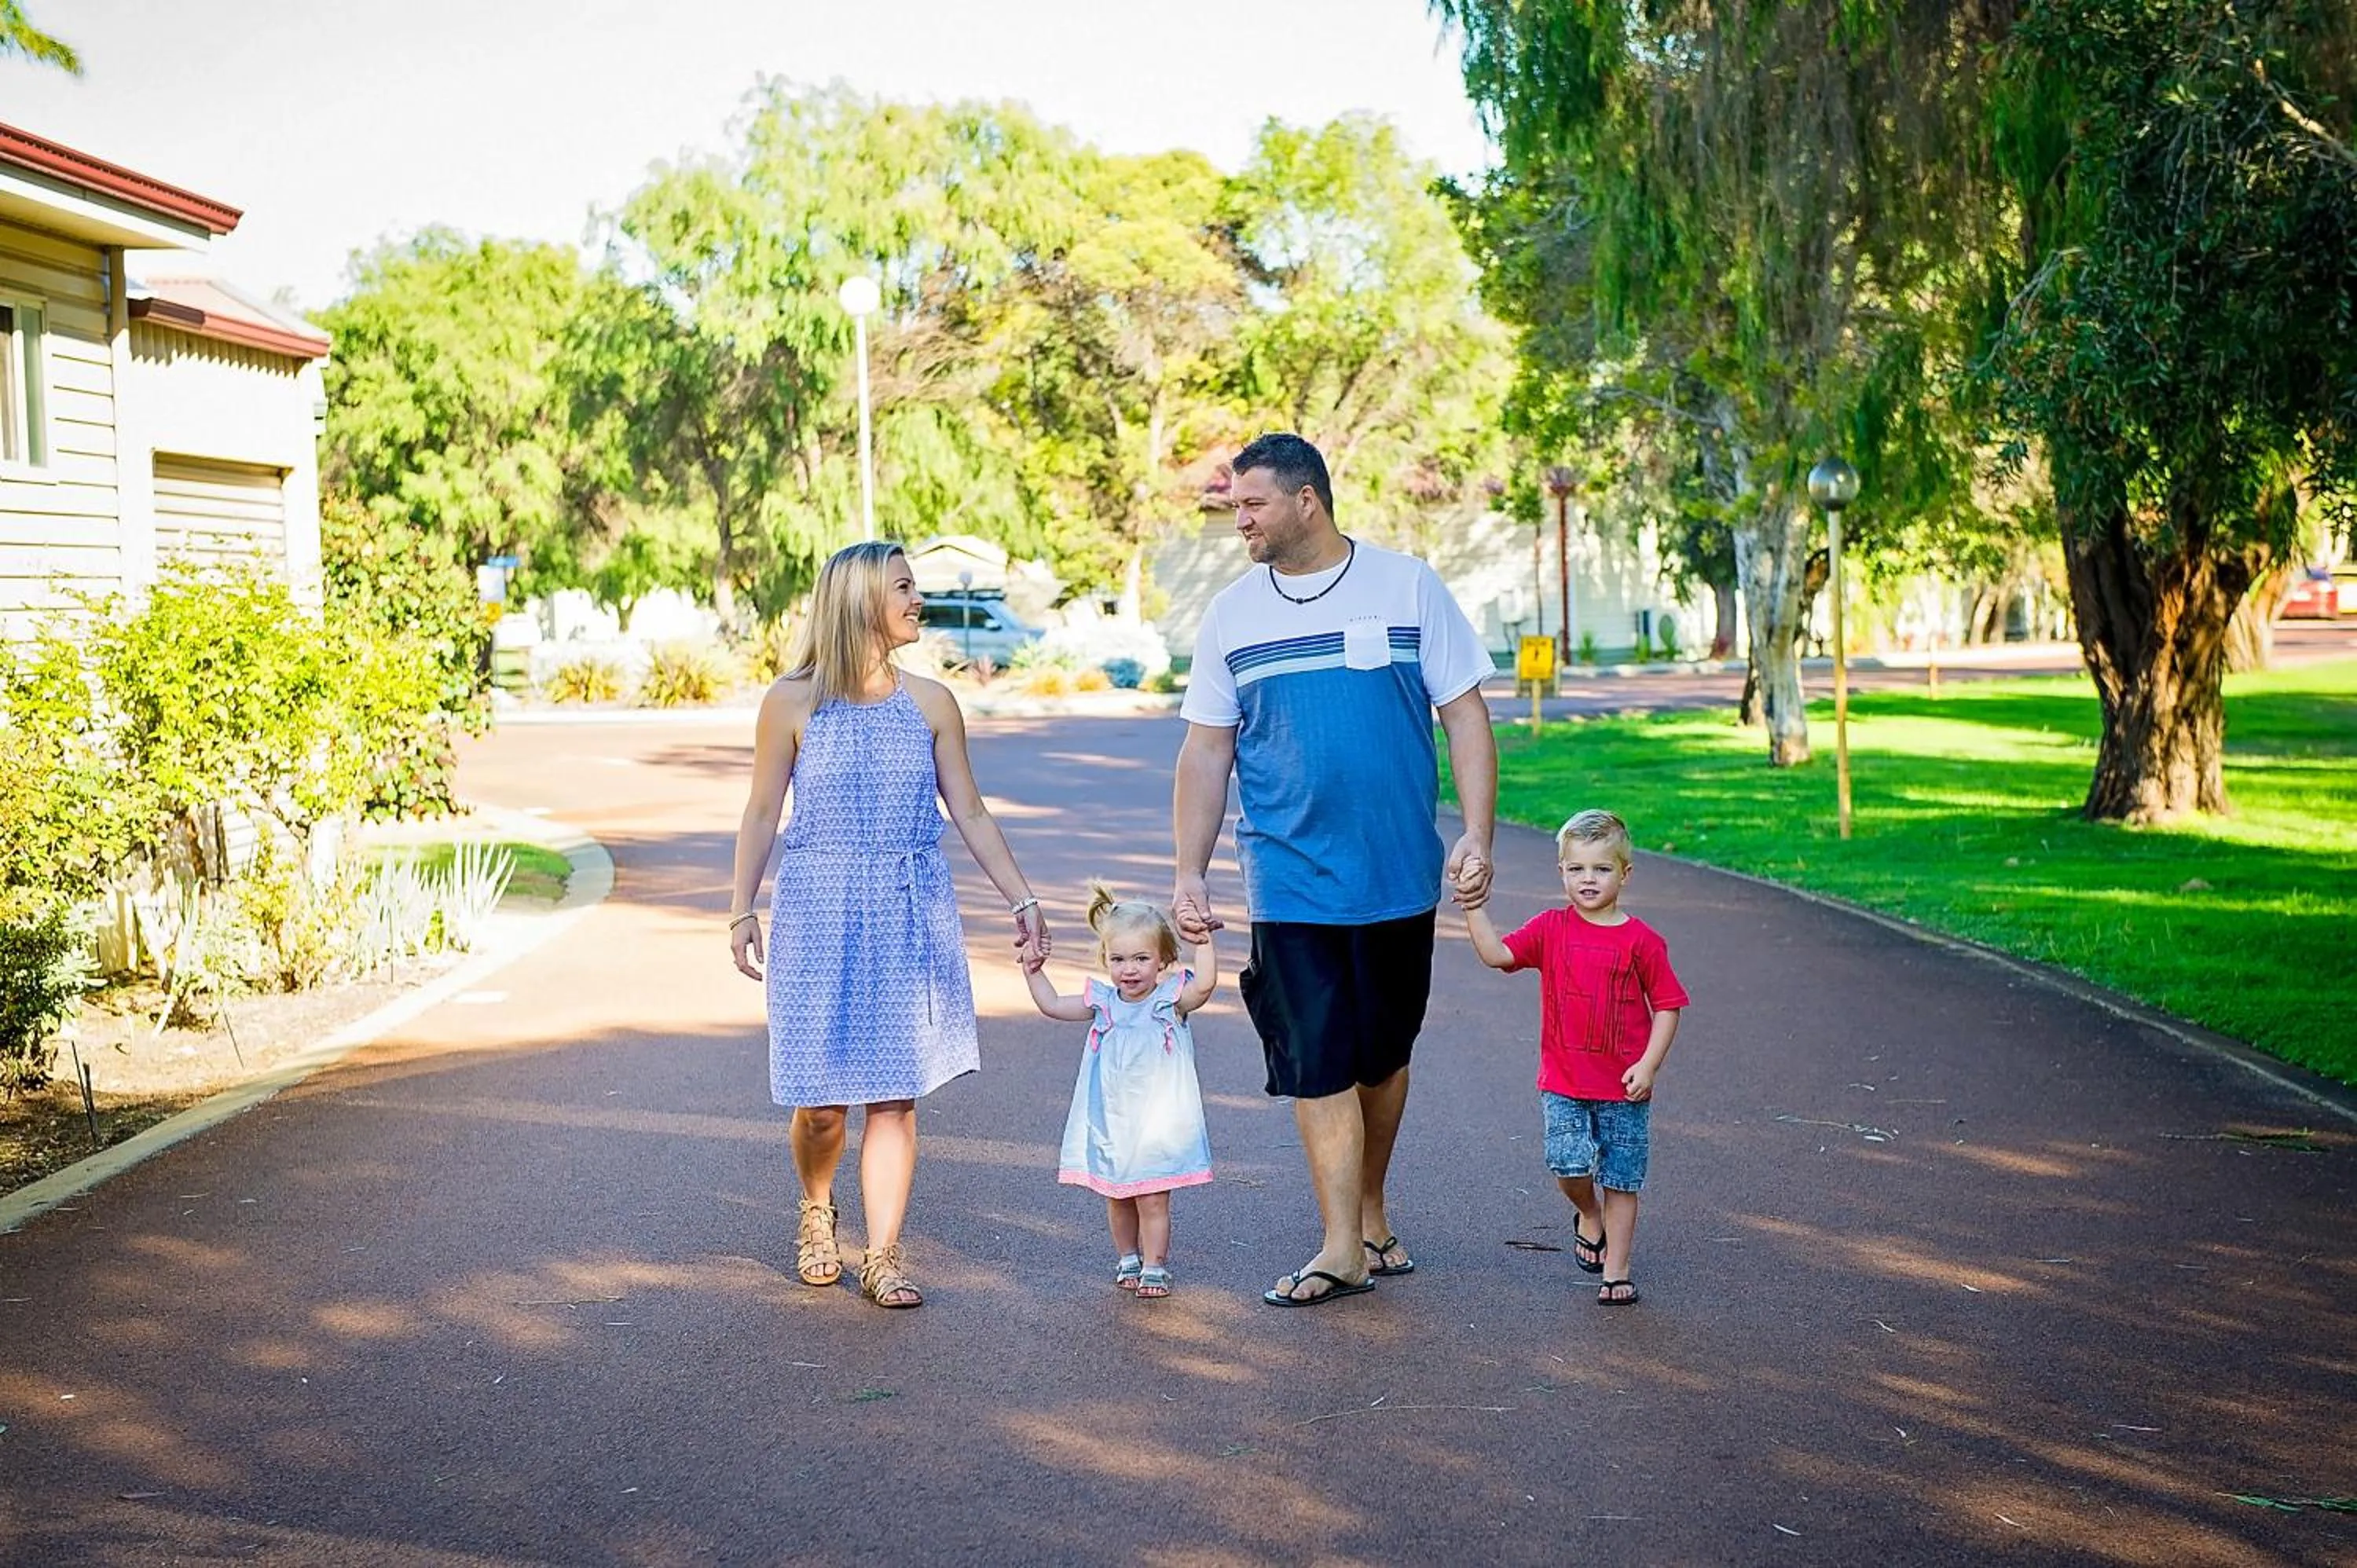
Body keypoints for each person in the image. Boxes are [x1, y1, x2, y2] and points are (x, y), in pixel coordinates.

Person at [1171, 431, 1499, 1308]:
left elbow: (1465, 715)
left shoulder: (1407, 585)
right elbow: (1206, 752)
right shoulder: (1232, 614)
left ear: (1307, 500)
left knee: (1383, 1054)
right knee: (1315, 1054)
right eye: (1234, 504)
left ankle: (1369, 1206)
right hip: (1287, 874)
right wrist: (1189, 872)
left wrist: (1476, 833)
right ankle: (1340, 1244)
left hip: (1397, 872)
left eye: (1253, 503)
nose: (1237, 518)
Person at [730, 540, 1050, 1310]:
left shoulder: (933, 703)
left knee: (896, 1095)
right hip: (819, 907)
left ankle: (882, 1253)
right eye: (905, 587)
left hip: (908, 910)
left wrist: (1022, 898)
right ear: (860, 601)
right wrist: (741, 905)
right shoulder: (792, 702)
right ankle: (817, 1208)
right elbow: (763, 810)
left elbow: (967, 808)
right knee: (823, 1099)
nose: (919, 600)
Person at [1459, 809, 1688, 1306]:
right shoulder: (1551, 928)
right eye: (1577, 868)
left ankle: (1617, 1269)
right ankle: (1589, 1214)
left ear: (1625, 874)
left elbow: (1668, 1007)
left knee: (1622, 1179)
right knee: (1568, 1164)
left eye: (1602, 869)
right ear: (1561, 871)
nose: (1589, 879)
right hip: (1563, 1081)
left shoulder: (1642, 942)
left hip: (1624, 1087)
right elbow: (1499, 956)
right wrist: (1472, 905)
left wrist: (1648, 1066)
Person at [1024, 881, 1218, 1300]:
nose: (1129, 970)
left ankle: (1154, 1265)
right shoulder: (1104, 1003)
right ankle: (1127, 1256)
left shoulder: (1169, 1002)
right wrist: (1033, 971)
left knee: (1152, 1197)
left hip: (1157, 1123)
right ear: (1106, 960)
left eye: (1141, 959)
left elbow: (1203, 988)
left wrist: (1203, 943)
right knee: (1118, 1195)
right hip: (1114, 1120)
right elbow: (1053, 1005)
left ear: (1164, 959)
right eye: (1119, 959)